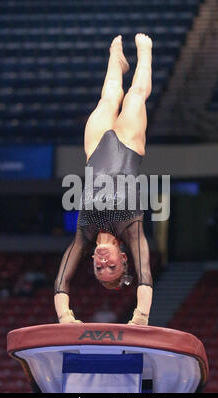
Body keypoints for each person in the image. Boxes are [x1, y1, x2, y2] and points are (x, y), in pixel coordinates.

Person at [54, 33, 153, 326]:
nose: (102, 261)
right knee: (135, 95)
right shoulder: (130, 226)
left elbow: (63, 279)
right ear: (123, 259)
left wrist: (65, 316)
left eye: (99, 268)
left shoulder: (84, 232)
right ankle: (145, 53)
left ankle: (116, 58)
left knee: (108, 97)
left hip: (95, 149)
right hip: (129, 146)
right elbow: (145, 271)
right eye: (111, 266)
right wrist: (141, 316)